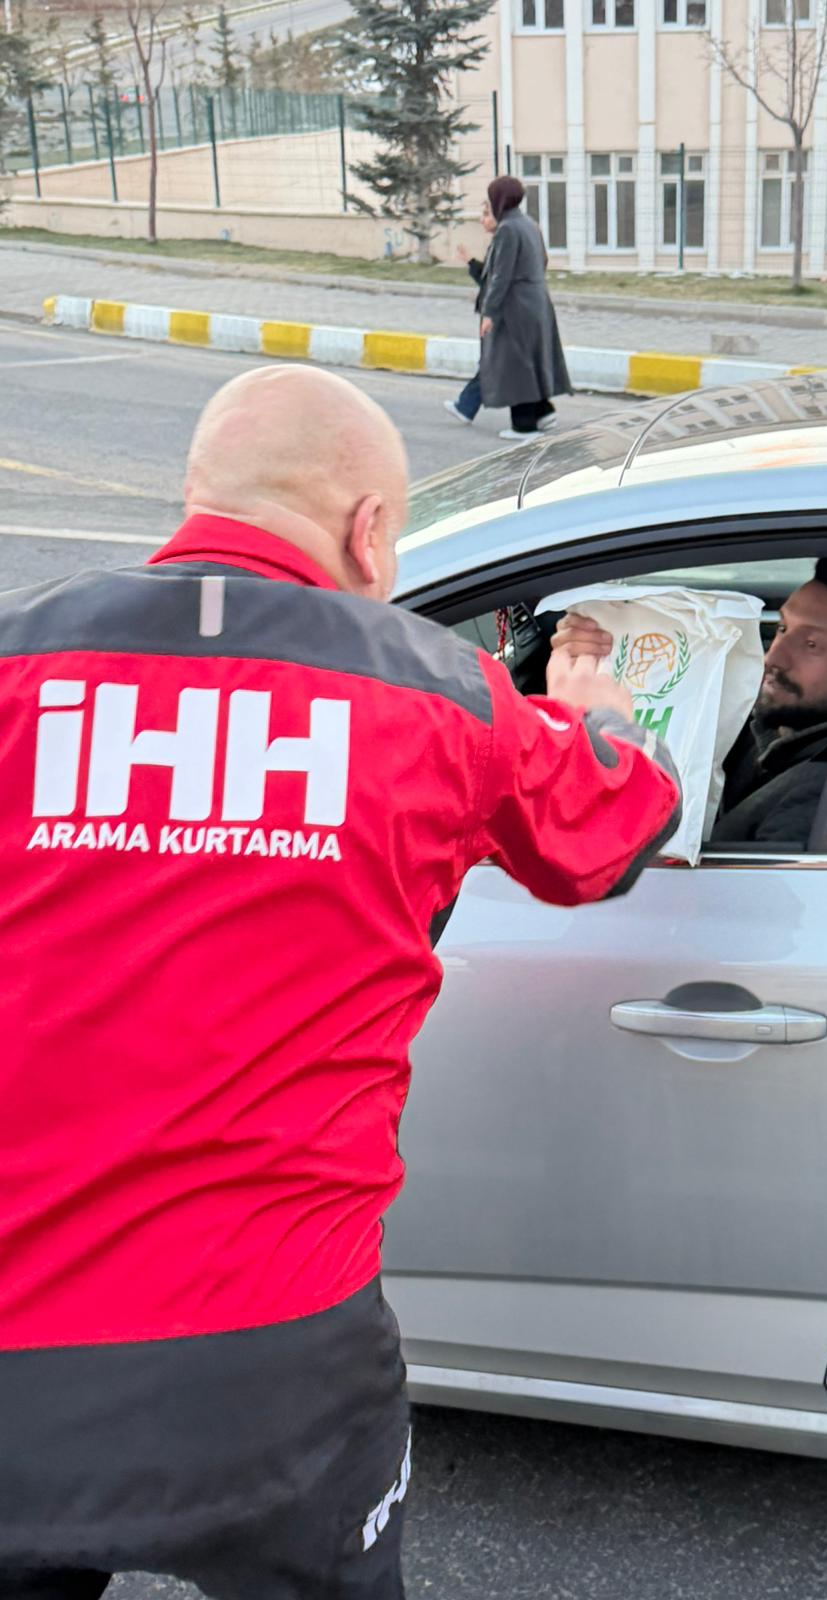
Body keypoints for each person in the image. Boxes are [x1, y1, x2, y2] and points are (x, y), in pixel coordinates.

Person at [0, 364, 680, 1600]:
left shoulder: (13, 664)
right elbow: (609, 832)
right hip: (278, 1355)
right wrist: (605, 719)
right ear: (370, 530)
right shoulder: (441, 696)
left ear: (198, 495)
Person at [551, 557, 827, 850]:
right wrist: (597, 646)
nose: (773, 657)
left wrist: (595, 723)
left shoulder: (825, 800)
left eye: (811, 644)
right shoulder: (777, 725)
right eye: (783, 628)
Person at [475, 175, 571, 441]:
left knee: (514, 363)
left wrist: (489, 312)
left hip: (515, 305)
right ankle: (544, 412)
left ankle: (524, 425)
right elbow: (543, 260)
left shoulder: (507, 228)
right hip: (536, 301)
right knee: (532, 358)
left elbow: (501, 276)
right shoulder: (529, 223)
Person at [442, 198, 497, 429]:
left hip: (495, 314)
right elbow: (489, 278)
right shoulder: (499, 241)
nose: (481, 219)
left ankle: (466, 406)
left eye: (486, 214)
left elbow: (497, 282)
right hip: (493, 312)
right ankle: (466, 406)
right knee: (492, 362)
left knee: (493, 363)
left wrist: (490, 312)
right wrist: (470, 262)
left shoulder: (505, 240)